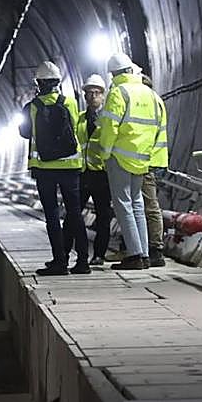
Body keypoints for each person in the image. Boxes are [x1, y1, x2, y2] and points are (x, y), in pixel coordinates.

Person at [90, 53, 165, 271]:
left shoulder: (118, 92)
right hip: (142, 157)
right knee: (137, 204)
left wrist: (104, 153)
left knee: (123, 204)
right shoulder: (149, 94)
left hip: (120, 156)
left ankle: (135, 254)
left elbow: (110, 127)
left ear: (113, 73)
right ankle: (144, 254)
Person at [17, 61, 90, 276]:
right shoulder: (69, 102)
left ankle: (60, 261)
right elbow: (75, 127)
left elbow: (25, 133)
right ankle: (83, 262)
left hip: (44, 168)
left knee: (52, 215)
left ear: (38, 83)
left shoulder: (31, 107)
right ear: (58, 82)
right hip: (71, 166)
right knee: (75, 214)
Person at [80, 74, 113, 267]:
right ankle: (77, 253)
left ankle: (99, 255)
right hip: (83, 174)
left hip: (102, 174)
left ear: (103, 95)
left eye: (96, 92)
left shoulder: (108, 119)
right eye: (89, 93)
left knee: (103, 216)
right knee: (74, 215)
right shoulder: (80, 119)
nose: (92, 96)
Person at [142, 73, 169, 267]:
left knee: (150, 207)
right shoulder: (157, 102)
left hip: (145, 162)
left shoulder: (148, 104)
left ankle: (155, 250)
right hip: (152, 160)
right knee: (147, 207)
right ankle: (150, 248)